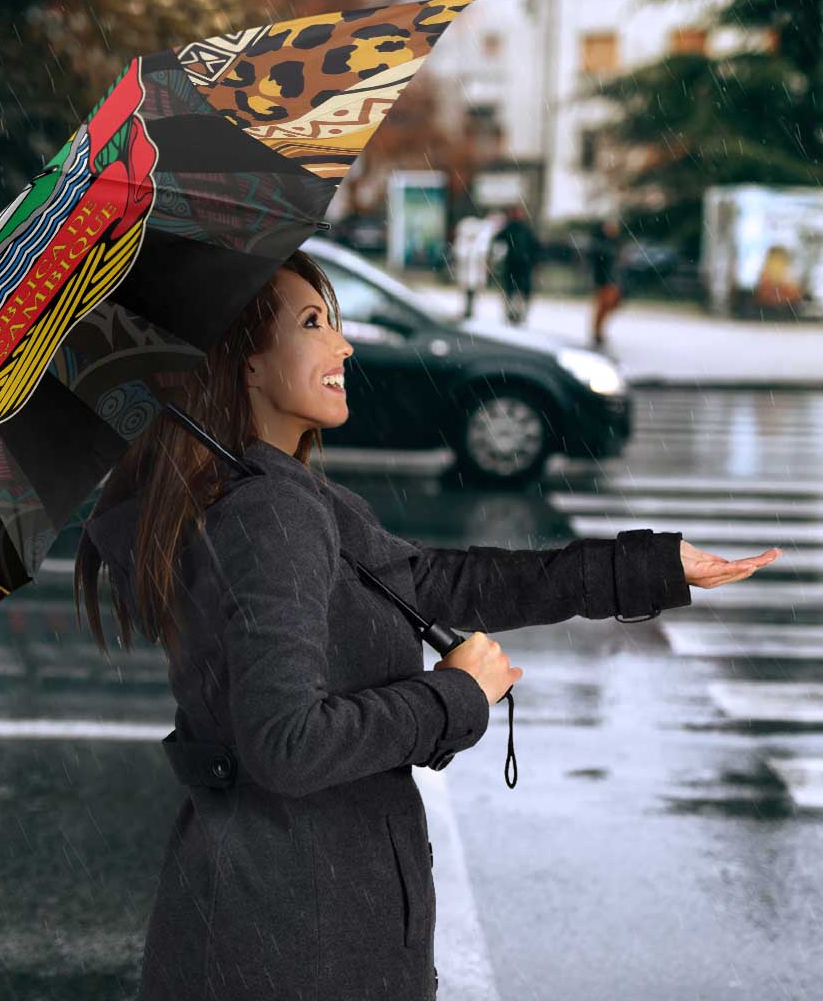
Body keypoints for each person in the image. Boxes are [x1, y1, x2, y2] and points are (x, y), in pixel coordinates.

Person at [75, 249, 779, 1001]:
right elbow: (286, 745)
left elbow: (442, 582)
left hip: (282, 919)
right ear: (244, 364)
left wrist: (649, 567)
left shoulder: (278, 495)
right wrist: (454, 695)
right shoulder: (268, 513)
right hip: (295, 940)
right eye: (313, 323)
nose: (343, 345)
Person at [491, 203, 541, 326]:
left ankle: (518, 314)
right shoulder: (511, 228)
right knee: (512, 291)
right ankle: (512, 314)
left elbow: (535, 247)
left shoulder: (524, 229)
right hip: (514, 265)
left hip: (522, 265)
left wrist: (534, 261)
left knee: (519, 292)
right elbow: (497, 241)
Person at [589, 216, 625, 347]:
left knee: (611, 305)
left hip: (613, 280)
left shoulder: (616, 243)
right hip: (604, 280)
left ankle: (598, 331)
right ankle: (597, 332)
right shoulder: (601, 244)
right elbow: (598, 263)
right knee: (603, 306)